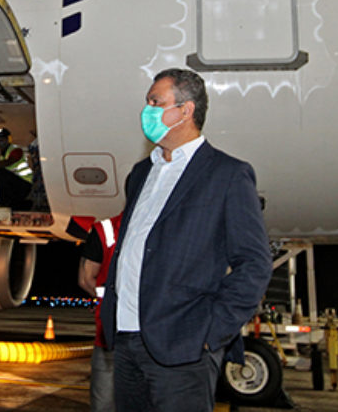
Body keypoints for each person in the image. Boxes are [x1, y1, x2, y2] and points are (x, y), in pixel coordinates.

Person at [100, 68, 272, 412]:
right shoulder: (141, 173)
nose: (146, 111)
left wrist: (210, 333)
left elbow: (254, 263)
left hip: (184, 346)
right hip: (127, 339)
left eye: (155, 102)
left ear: (186, 110)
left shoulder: (227, 174)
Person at [78, 213, 123, 412]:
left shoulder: (104, 230)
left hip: (109, 333)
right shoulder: (106, 230)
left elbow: (85, 279)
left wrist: (109, 303)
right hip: (122, 335)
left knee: (104, 403)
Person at [0, 127, 33, 209]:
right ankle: (5, 201)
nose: (0, 143)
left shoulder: (16, 150)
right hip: (14, 187)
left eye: (2, 140)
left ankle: (2, 201)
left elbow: (10, 161)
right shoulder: (0, 157)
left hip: (24, 183)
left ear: (8, 140)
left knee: (1, 172)